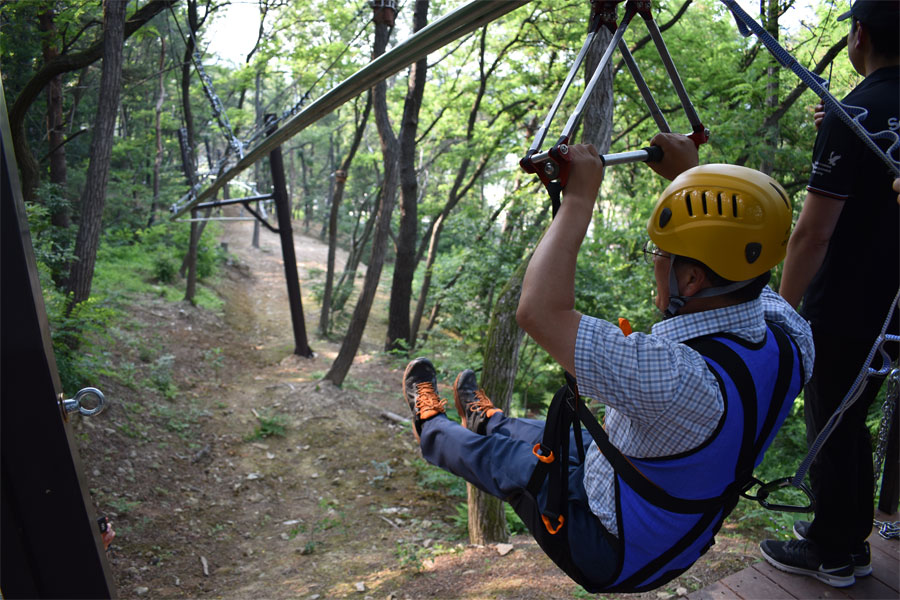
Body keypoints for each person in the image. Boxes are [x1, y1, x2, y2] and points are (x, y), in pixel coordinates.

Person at [402, 135, 814, 592]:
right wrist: (689, 180)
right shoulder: (791, 336)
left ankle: (432, 431)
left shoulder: (674, 378)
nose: (655, 263)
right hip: (671, 526)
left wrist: (578, 197)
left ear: (692, 279)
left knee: (509, 461)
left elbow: (539, 312)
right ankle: (488, 420)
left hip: (612, 548)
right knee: (548, 436)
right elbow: (742, 263)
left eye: (660, 255)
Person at [759, 0, 900, 589]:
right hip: (893, 308)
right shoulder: (852, 115)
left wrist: (784, 314)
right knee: (855, 416)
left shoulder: (855, 112)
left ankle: (833, 551)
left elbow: (813, 233)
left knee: (831, 420)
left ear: (859, 35)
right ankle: (850, 534)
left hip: (845, 302)